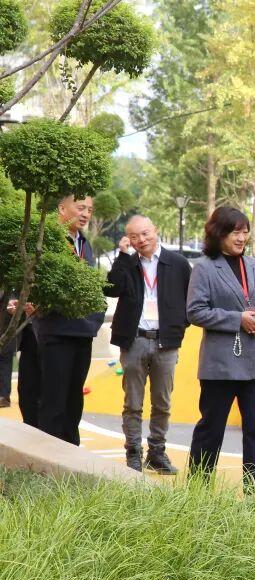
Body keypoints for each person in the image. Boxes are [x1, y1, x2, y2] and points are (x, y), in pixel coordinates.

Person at [186, 207, 255, 495]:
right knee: (211, 429)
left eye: (245, 232)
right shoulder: (204, 267)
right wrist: (238, 319)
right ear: (218, 233)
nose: (241, 238)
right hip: (220, 364)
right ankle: (198, 490)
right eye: (235, 232)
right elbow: (195, 311)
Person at [106, 215, 192, 473]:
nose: (141, 240)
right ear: (129, 239)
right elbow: (111, 289)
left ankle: (157, 453)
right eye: (134, 236)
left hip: (166, 342)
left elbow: (192, 299)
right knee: (133, 403)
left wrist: (178, 325)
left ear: (155, 230)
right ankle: (133, 453)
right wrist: (122, 256)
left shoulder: (177, 263)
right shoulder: (128, 263)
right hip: (135, 340)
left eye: (145, 233)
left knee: (162, 403)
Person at [36, 195, 105, 445]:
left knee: (74, 399)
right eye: (80, 208)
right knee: (54, 399)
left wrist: (95, 318)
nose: (85, 214)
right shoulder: (49, 239)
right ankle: (47, 456)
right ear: (62, 208)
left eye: (90, 210)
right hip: (57, 330)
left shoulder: (84, 243)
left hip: (83, 331)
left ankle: (70, 454)